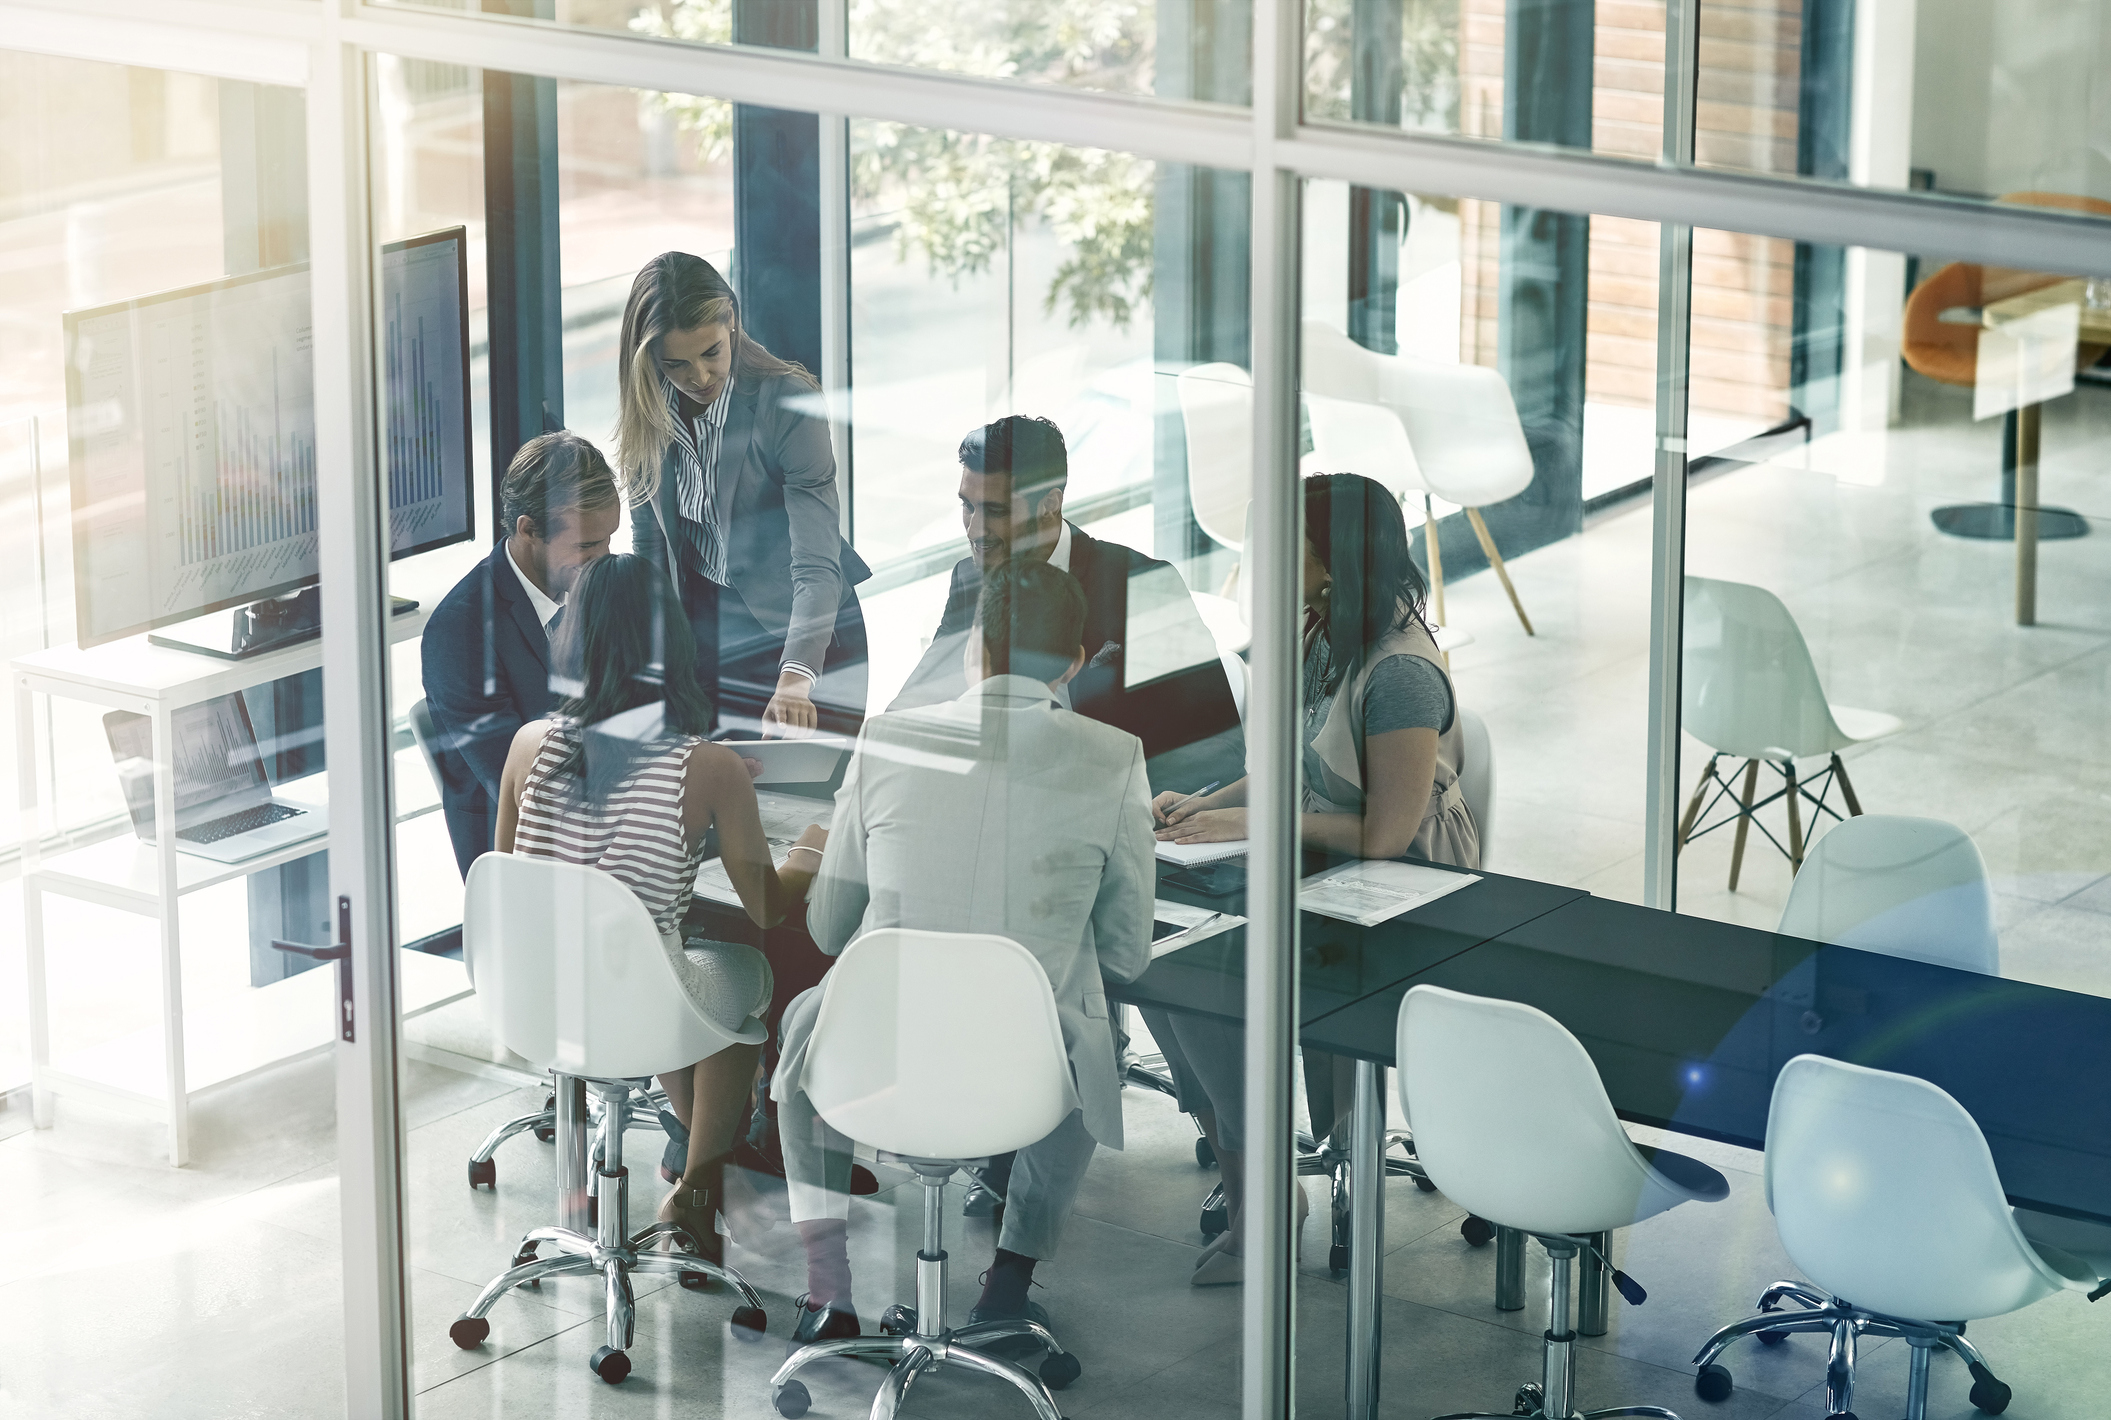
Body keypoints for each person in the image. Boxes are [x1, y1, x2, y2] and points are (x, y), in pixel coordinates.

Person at [770, 558, 1154, 1348]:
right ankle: (1007, 1288)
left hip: (878, 1062)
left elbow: (828, 930)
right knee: (1088, 1021)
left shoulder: (886, 741)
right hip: (1021, 1082)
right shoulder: (1113, 758)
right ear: (1076, 662)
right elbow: (1124, 956)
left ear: (974, 650)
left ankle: (827, 1289)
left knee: (811, 1018)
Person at [1145, 471, 1481, 1285]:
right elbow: (1285, 760)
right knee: (1167, 968)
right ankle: (1254, 1168)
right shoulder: (1317, 628)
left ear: (1334, 561)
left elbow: (1386, 834)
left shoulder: (1401, 671)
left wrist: (1250, 822)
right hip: (1312, 861)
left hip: (1400, 890)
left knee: (1218, 977)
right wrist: (1206, 804)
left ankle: (1282, 1174)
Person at [491, 553, 828, 1271]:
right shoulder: (704, 767)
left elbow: (505, 887)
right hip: (638, 1003)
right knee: (738, 1000)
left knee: (678, 986)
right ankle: (697, 1186)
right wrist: (807, 852)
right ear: (670, 643)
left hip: (539, 1003)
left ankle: (690, 1172)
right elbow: (767, 907)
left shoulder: (527, 745)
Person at [889, 414, 1243, 793]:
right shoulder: (970, 578)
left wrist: (1121, 801)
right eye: (967, 507)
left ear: (1050, 504)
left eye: (996, 511)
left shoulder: (1141, 584)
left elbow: (1219, 744)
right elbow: (912, 709)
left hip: (1118, 806)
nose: (975, 530)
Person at [616, 251, 871, 739]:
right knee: (726, 798)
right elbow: (652, 553)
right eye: (676, 364)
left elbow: (816, 561)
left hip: (807, 632)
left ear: (731, 320)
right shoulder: (647, 412)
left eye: (711, 351)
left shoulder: (786, 401)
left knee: (812, 804)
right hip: (709, 633)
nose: (700, 376)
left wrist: (796, 676)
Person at [422, 431, 621, 878]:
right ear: (529, 529)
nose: (604, 557)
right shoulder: (461, 631)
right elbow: (524, 785)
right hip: (528, 858)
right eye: (587, 546)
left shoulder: (598, 586)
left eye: (608, 539)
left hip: (612, 828)